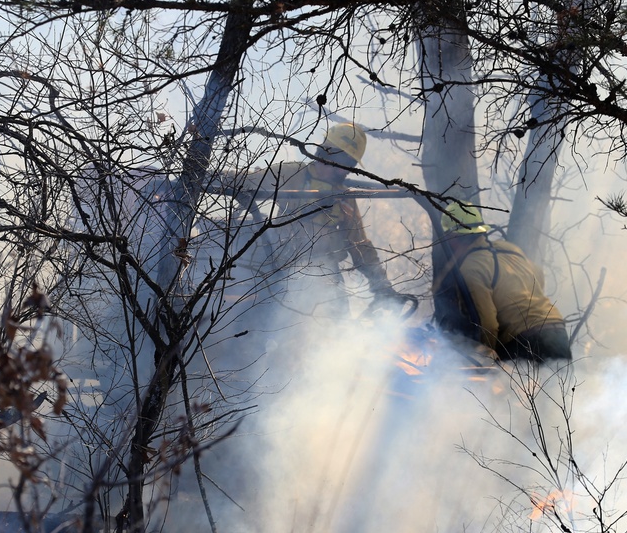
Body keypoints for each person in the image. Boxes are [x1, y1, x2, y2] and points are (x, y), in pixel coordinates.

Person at [232, 123, 398, 307]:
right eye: (345, 163)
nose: (347, 171)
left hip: (327, 278)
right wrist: (198, 172)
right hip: (280, 271)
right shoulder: (291, 173)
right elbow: (241, 181)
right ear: (327, 154)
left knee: (339, 328)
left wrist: (383, 286)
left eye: (351, 164)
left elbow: (360, 245)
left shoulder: (344, 197)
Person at [432, 201, 572, 363]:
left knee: (514, 388)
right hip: (556, 331)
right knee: (561, 387)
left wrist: (485, 360)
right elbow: (538, 275)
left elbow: (487, 324)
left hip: (526, 342)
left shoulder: (471, 267)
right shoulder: (510, 249)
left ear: (453, 237)